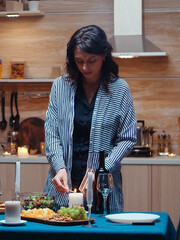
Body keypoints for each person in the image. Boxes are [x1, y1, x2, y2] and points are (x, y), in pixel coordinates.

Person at [43, 25, 137, 212]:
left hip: (103, 193)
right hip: (61, 190)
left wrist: (102, 170)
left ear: (104, 56)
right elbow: (51, 133)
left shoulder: (120, 89)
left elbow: (127, 139)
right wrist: (59, 167)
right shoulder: (60, 86)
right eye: (79, 61)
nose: (85, 67)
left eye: (91, 61)